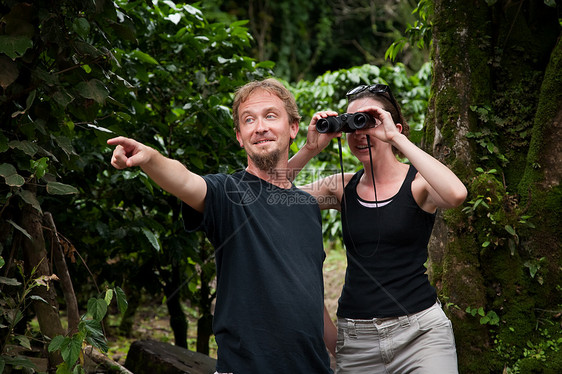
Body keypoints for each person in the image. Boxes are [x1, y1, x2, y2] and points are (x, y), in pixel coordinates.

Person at [107, 78, 333, 374]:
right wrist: (150, 158)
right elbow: (185, 179)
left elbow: (312, 294)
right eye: (249, 120)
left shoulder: (306, 207)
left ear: (293, 128)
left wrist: (345, 349)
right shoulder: (228, 192)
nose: (260, 127)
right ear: (240, 137)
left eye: (270, 115)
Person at [289, 83, 467, 373]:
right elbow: (268, 197)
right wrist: (309, 149)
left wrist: (396, 138)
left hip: (421, 335)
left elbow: (456, 194)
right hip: (358, 340)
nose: (359, 133)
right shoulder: (340, 187)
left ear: (393, 125)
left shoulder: (420, 184)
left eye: (368, 121)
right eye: (351, 125)